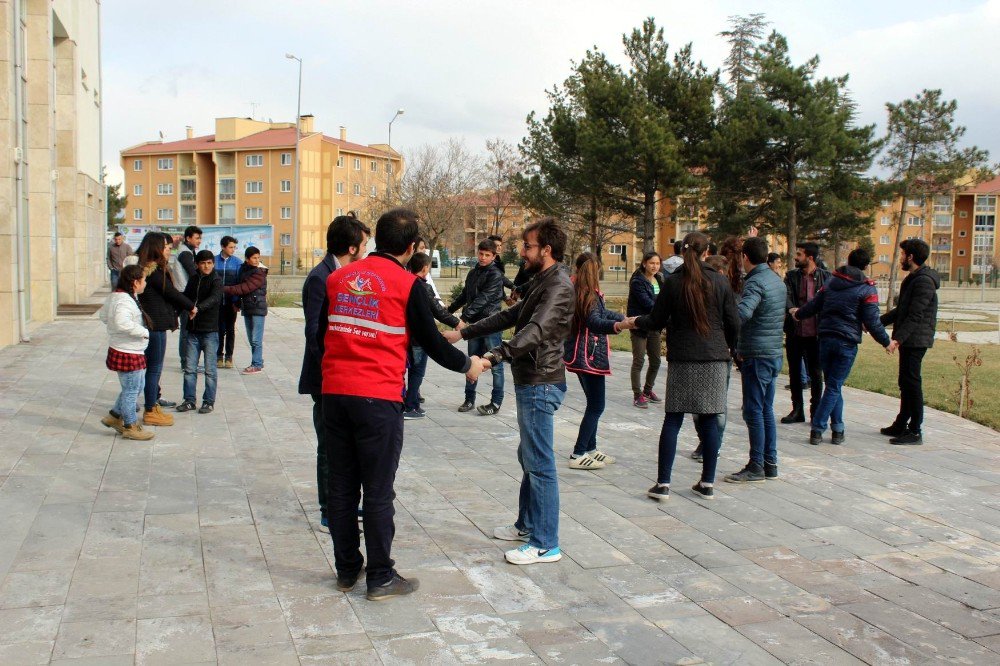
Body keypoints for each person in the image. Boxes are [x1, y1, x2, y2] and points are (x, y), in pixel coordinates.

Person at [322, 208, 482, 600]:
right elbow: (430, 341)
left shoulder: (337, 278)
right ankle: (380, 576)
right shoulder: (407, 284)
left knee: (341, 486)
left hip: (334, 395)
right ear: (412, 247)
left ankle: (346, 569)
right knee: (377, 490)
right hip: (376, 397)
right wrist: (468, 365)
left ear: (376, 239)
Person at [445, 218, 574, 565]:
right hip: (533, 379)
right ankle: (527, 524)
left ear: (546, 250)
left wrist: (491, 357)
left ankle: (545, 543)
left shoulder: (558, 285)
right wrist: (465, 331)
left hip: (540, 382)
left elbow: (534, 330)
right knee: (528, 457)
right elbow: (511, 315)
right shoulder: (542, 281)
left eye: (528, 246)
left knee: (540, 463)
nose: (521, 251)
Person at [638, 232, 739, 501]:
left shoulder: (673, 283)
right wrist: (731, 347)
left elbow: (656, 320)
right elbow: (734, 322)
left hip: (683, 357)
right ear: (707, 252)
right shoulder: (719, 281)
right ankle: (707, 483)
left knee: (673, 418)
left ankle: (662, 484)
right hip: (714, 357)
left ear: (682, 251)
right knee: (710, 418)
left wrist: (634, 321)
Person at [299, 216, 369, 535]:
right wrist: (332, 369)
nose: (367, 250)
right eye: (364, 245)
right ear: (352, 247)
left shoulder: (344, 275)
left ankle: (343, 501)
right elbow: (314, 332)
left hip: (344, 377)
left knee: (345, 446)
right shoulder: (320, 277)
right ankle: (329, 508)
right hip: (326, 378)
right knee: (328, 446)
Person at [791, 248, 894, 445]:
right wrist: (887, 342)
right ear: (865, 266)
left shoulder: (831, 282)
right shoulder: (866, 288)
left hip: (826, 339)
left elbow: (814, 305)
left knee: (832, 385)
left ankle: (838, 429)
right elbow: (872, 321)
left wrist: (799, 314)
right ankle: (818, 428)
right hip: (846, 342)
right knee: (834, 386)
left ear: (848, 261)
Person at [564, 253, 634, 470]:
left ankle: (591, 449)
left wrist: (623, 317)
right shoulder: (588, 295)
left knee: (592, 404)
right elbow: (595, 321)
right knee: (596, 405)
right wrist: (619, 326)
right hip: (589, 356)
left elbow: (602, 312)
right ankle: (578, 453)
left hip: (580, 354)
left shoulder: (580, 291)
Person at [725, 236, 785, 483]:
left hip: (757, 355)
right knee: (766, 409)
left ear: (745, 258)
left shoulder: (756, 282)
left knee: (754, 411)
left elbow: (743, 313)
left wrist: (724, 319)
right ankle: (770, 462)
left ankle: (756, 464)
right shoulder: (775, 280)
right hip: (772, 353)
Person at [879, 238, 939, 446]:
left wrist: (897, 339)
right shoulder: (913, 278)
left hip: (916, 339)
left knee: (912, 383)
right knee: (905, 382)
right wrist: (876, 323)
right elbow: (901, 311)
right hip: (910, 338)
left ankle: (915, 430)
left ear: (911, 257)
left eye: (903, 254)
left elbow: (915, 315)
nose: (901, 258)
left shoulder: (923, 281)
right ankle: (901, 423)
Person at [135, 232, 196, 427]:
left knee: (152, 369)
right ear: (156, 249)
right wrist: (191, 306)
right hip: (155, 325)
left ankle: (152, 405)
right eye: (167, 248)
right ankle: (150, 410)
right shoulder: (153, 271)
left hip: (155, 323)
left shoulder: (148, 269)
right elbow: (171, 293)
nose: (169, 252)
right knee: (153, 369)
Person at [448, 239, 505, 415]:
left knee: (495, 364)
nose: (483, 257)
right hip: (475, 325)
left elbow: (484, 299)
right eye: (481, 253)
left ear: (494, 256)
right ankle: (469, 399)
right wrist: (448, 312)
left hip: (490, 324)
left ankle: (495, 402)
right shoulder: (473, 273)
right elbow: (465, 295)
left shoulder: (495, 275)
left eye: (487, 255)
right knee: (472, 361)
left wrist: (464, 317)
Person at [403, 253, 462, 419]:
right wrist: (457, 324)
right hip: (419, 338)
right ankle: (410, 406)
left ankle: (413, 403)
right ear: (425, 268)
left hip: (408, 335)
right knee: (417, 372)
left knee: (412, 370)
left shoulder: (406, 283)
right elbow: (438, 311)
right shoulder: (422, 287)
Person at [98, 264, 153, 441]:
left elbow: (104, 317)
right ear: (135, 282)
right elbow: (121, 322)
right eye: (144, 280)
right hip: (128, 351)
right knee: (131, 391)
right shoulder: (123, 300)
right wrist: (143, 332)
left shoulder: (118, 296)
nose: (145, 283)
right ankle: (130, 426)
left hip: (129, 348)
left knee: (135, 387)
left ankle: (114, 416)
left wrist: (115, 331)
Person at [781, 242, 830, 424]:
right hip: (795, 332)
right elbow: (785, 296)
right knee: (794, 372)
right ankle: (797, 410)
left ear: (810, 257)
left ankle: (816, 410)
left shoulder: (826, 278)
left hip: (816, 333)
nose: (796, 257)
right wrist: (792, 309)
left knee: (816, 374)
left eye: (799, 254)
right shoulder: (791, 276)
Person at [178, 250, 223, 414]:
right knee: (190, 369)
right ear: (197, 264)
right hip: (193, 332)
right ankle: (189, 400)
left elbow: (215, 298)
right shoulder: (194, 279)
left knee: (210, 370)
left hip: (210, 332)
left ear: (213, 263)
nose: (206, 266)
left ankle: (208, 401)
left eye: (209, 263)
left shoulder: (216, 280)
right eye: (203, 263)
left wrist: (197, 308)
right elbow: (186, 298)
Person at [626, 252, 664, 408]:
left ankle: (648, 390)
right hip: (639, 324)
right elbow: (647, 303)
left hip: (653, 325)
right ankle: (637, 394)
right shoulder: (638, 281)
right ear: (644, 264)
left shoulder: (659, 279)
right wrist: (664, 311)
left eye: (657, 263)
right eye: (651, 263)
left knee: (656, 360)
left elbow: (663, 299)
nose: (654, 266)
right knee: (639, 360)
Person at [222, 246, 268, 374]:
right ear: (247, 259)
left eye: (258, 257)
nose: (257, 260)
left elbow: (244, 288)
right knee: (250, 338)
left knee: (255, 339)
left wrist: (224, 288)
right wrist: (236, 302)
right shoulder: (243, 269)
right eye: (254, 258)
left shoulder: (260, 272)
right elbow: (241, 291)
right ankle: (258, 360)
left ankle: (256, 364)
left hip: (258, 308)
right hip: (247, 307)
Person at [171, 226, 202, 372]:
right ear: (188, 238)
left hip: (185, 294)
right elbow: (193, 273)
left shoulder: (188, 251)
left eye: (200, 238)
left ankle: (189, 362)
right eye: (197, 238)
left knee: (188, 330)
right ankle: (186, 363)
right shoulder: (185, 253)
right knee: (186, 331)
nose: (199, 241)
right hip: (185, 295)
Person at [214, 236, 243, 369]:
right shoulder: (214, 261)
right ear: (223, 247)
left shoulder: (237, 263)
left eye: (234, 247)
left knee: (230, 329)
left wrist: (237, 302)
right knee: (218, 329)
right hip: (217, 302)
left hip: (231, 302)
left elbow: (239, 283)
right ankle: (218, 355)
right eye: (230, 247)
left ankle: (229, 356)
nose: (233, 250)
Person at [414, 237, 443, 304]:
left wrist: (441, 305)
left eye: (424, 247)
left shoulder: (426, 274)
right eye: (421, 248)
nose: (424, 250)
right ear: (413, 249)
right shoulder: (407, 271)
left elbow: (434, 292)